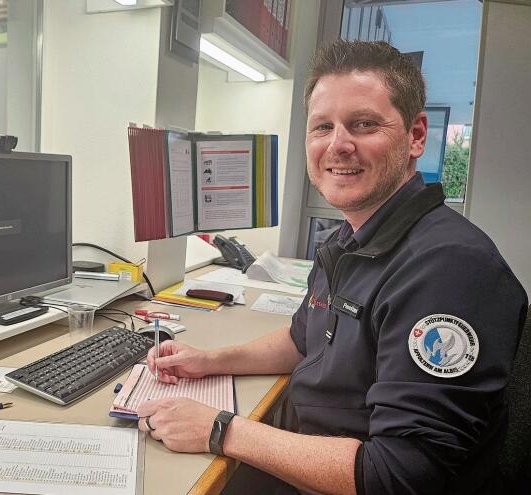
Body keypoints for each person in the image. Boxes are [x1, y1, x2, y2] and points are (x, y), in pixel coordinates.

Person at [137, 40, 528, 494]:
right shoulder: (351, 239)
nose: (339, 145)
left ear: (416, 136)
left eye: (363, 124)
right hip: (310, 454)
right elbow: (302, 338)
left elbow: (401, 474)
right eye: (323, 127)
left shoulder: (448, 270)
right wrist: (209, 361)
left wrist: (221, 430)